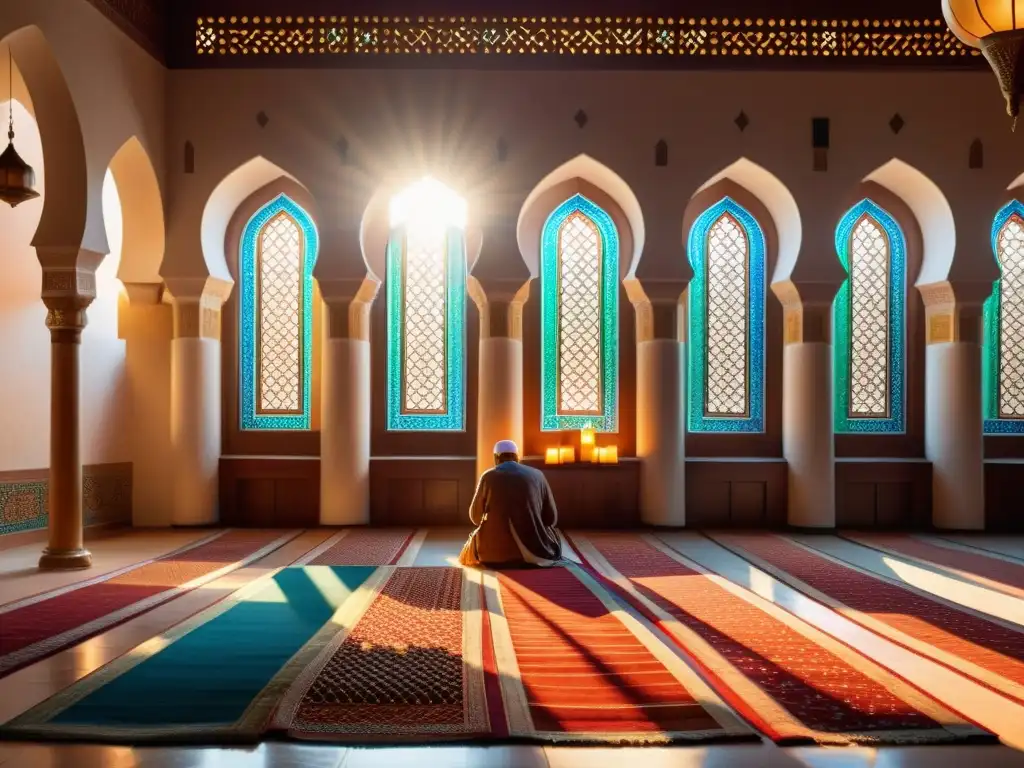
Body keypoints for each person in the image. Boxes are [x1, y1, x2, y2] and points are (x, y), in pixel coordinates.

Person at [459, 440, 563, 568]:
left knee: (473, 541)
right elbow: (551, 519)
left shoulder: (488, 476)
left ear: (496, 457)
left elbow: (475, 517)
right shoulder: (538, 475)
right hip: (537, 552)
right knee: (551, 534)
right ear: (517, 457)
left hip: (493, 556)